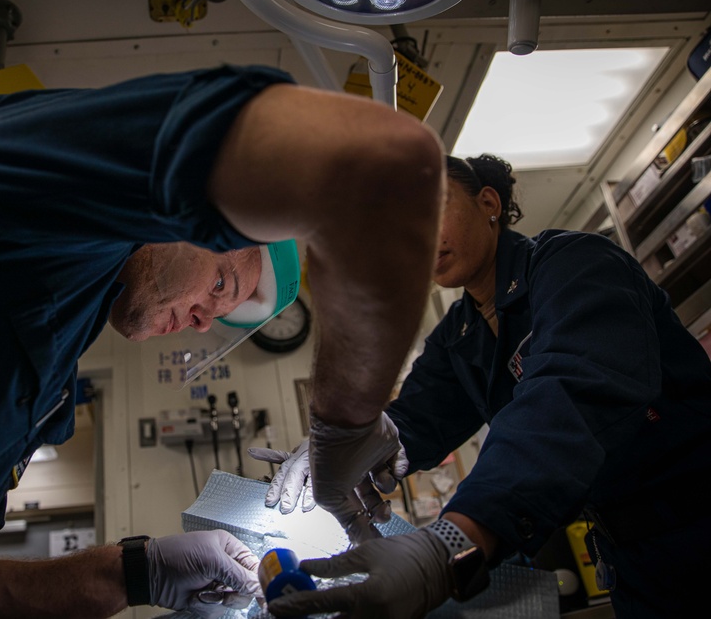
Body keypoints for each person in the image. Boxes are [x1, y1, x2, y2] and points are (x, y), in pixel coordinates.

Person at [0, 64, 445, 618]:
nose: (200, 319)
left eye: (217, 317)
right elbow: (375, 163)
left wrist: (133, 572)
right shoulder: (31, 194)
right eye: (223, 284)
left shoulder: (52, 362)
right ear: (194, 217)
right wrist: (343, 424)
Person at [253, 154, 711, 619]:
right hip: (633, 559)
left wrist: (451, 540)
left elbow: (567, 398)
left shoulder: (576, 264)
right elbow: (413, 420)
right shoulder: (459, 334)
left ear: (488, 202)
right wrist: (340, 447)